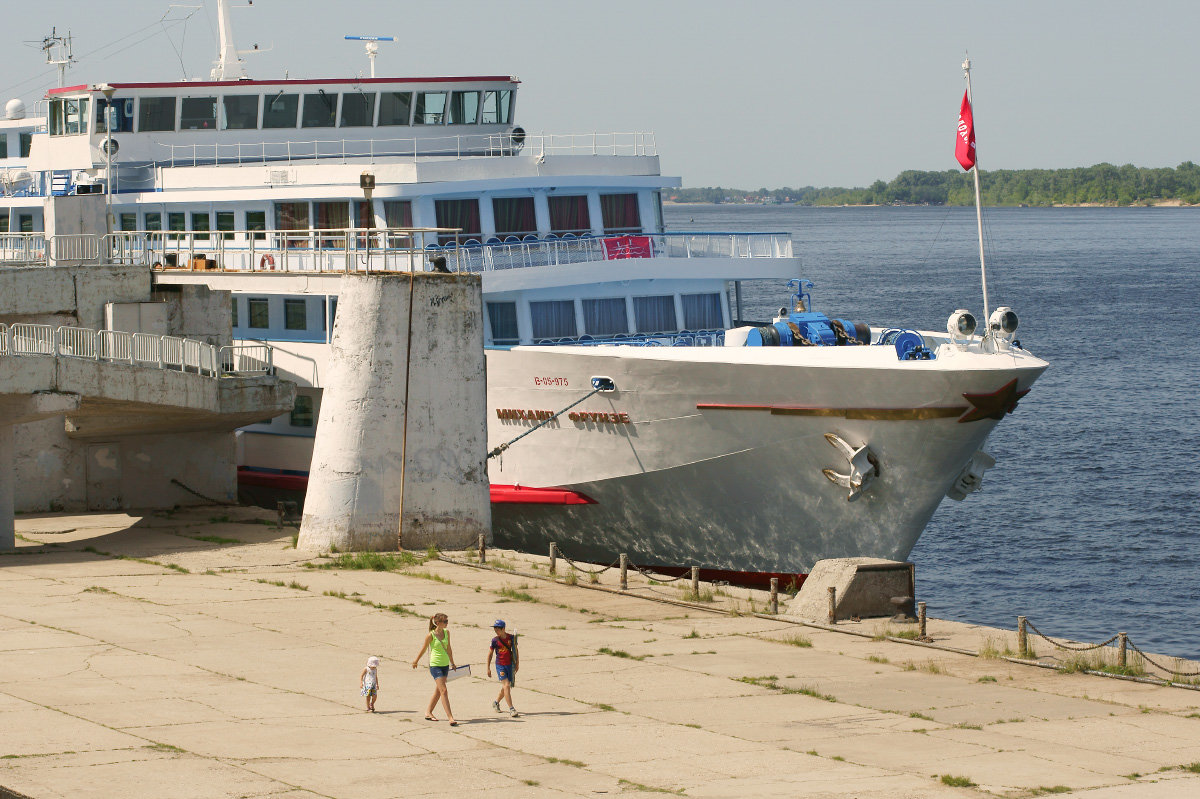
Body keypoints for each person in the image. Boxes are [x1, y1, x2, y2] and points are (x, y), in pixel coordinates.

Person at [412, 613, 458, 725]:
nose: (447, 623)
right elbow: (423, 649)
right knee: (444, 690)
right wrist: (416, 661)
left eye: (447, 621)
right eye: (445, 621)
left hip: (445, 665)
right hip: (435, 665)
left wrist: (452, 662)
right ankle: (450, 717)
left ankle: (428, 712)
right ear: (438, 623)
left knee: (438, 691)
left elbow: (449, 649)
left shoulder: (447, 633)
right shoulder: (431, 635)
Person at [486, 619, 519, 717]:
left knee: (505, 687)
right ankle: (511, 709)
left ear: (503, 628)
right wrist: (488, 667)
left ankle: (496, 702)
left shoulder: (511, 638)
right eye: (494, 628)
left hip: (509, 664)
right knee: (507, 685)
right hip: (500, 665)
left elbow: (516, 651)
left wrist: (517, 663)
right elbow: (490, 654)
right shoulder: (495, 640)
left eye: (497, 628)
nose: (495, 630)